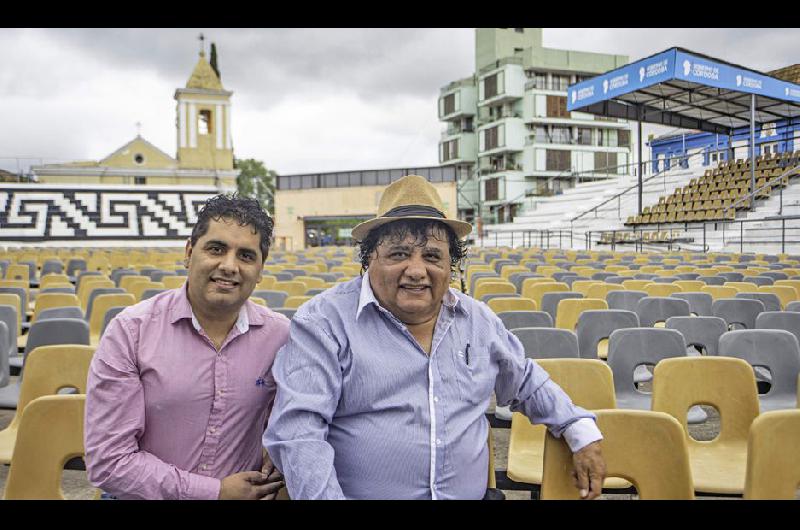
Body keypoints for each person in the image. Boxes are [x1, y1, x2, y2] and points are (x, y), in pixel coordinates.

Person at [264, 175, 606, 500]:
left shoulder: (478, 321)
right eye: (399, 254)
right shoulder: (324, 322)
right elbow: (298, 433)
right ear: (370, 258)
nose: (416, 270)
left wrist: (578, 430)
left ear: (451, 265)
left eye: (431, 256)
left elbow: (527, 381)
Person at [85, 194, 289, 500]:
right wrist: (215, 492)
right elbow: (109, 461)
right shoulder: (131, 331)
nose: (229, 266)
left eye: (246, 256)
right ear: (189, 252)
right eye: (216, 249)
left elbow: (295, 422)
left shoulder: (281, 338)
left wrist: (283, 448)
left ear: (260, 270)